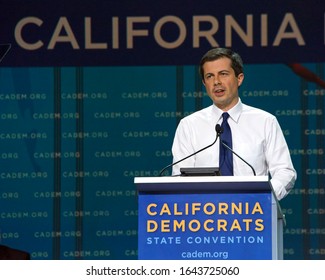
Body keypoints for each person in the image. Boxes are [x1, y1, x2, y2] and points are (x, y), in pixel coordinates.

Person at [171, 47, 296, 200]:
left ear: (239, 78)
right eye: (209, 76)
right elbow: (179, 178)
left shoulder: (265, 122)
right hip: (203, 216)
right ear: (204, 83)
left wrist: (262, 199)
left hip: (253, 214)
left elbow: (285, 172)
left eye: (223, 74)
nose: (216, 82)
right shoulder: (189, 126)